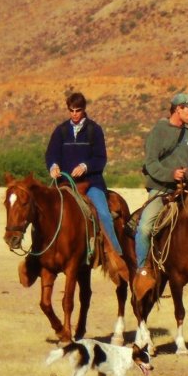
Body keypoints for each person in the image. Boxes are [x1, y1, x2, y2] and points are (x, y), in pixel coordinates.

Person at [45, 92, 127, 279]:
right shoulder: (61, 131)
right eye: (71, 111)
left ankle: (115, 254)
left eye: (78, 110)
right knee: (43, 211)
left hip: (91, 183)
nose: (74, 114)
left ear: (84, 110)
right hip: (65, 183)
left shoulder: (94, 130)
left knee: (104, 214)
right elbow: (51, 154)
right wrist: (53, 166)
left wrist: (85, 166)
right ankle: (39, 254)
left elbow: (101, 158)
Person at [134, 92, 188, 276]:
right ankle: (142, 269)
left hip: (185, 190)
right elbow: (151, 163)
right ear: (178, 109)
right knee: (145, 227)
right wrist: (171, 174)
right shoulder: (159, 131)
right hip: (161, 190)